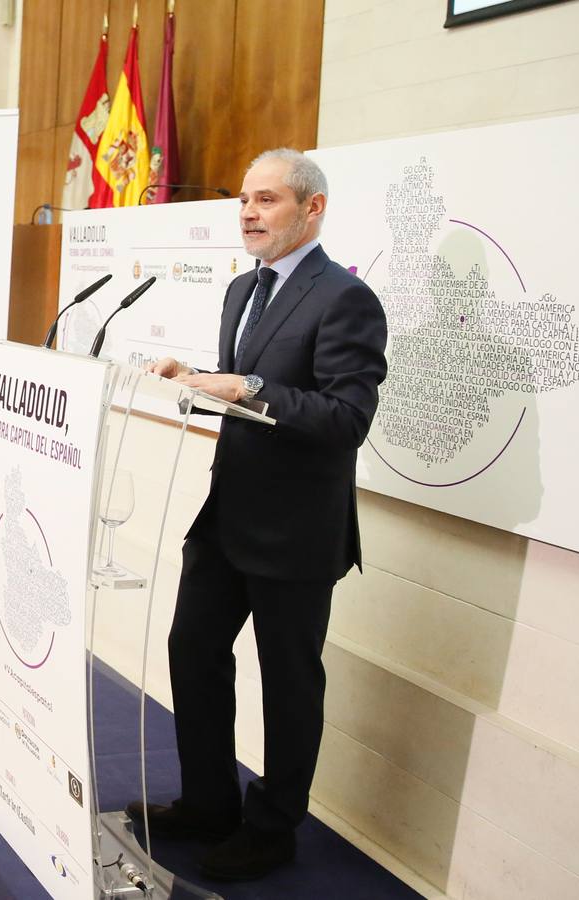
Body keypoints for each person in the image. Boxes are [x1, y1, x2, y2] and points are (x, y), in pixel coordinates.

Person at [132, 148, 389, 882]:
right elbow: (248, 389)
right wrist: (197, 381)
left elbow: (346, 418)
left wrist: (244, 387)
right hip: (226, 517)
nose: (247, 212)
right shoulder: (242, 291)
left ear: (312, 209)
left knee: (287, 682)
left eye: (267, 199)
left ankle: (273, 828)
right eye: (243, 199)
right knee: (192, 652)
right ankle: (210, 804)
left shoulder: (344, 298)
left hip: (296, 533)